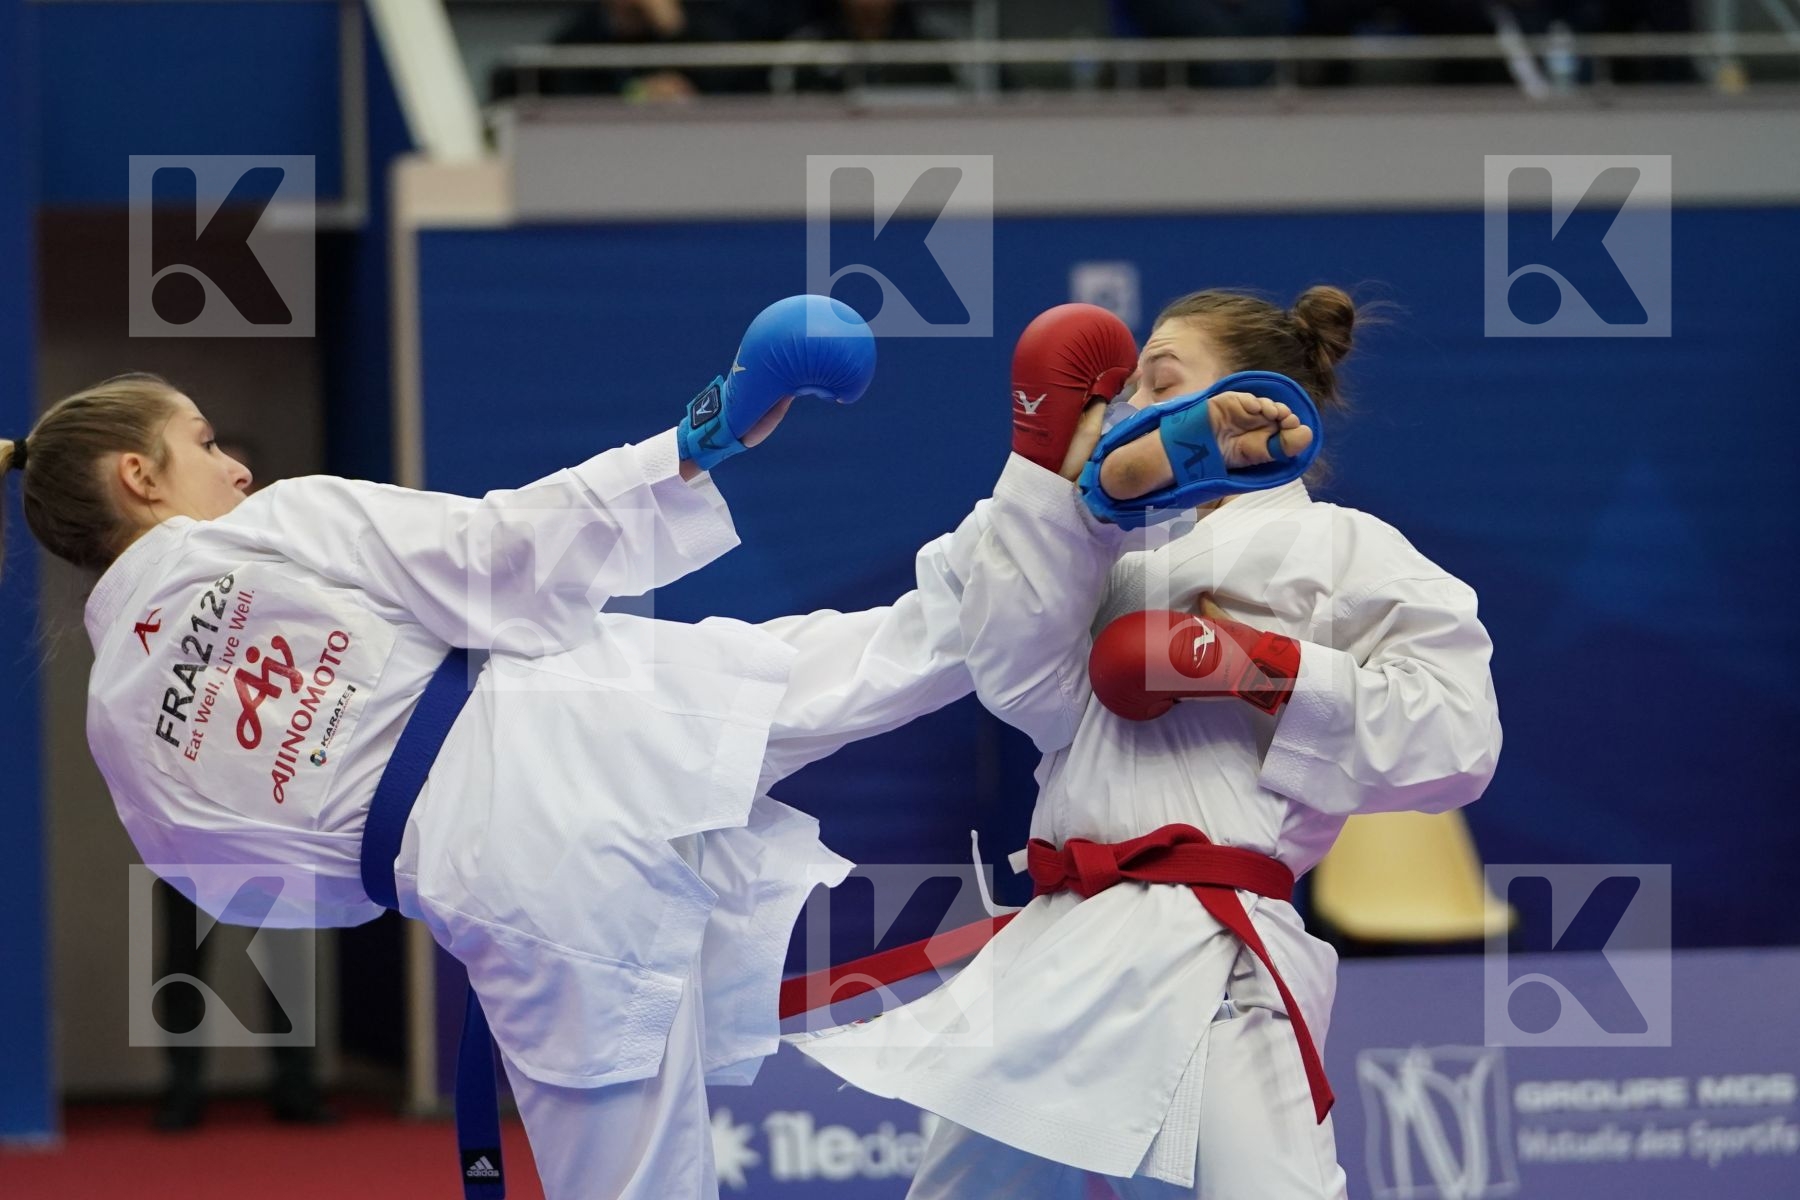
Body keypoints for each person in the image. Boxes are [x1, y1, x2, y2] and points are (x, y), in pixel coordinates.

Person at [0, 295, 993, 1200]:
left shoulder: (118, 726)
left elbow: (252, 893)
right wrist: (698, 440)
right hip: (569, 723)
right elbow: (494, 553)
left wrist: (414, 852)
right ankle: (1042, 506)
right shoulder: (267, 524)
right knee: (866, 657)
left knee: (631, 1183)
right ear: (138, 475)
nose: (236, 467)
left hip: (498, 892)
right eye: (204, 443)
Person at [796, 292, 1503, 1199]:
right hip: (1063, 946)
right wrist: (1050, 480)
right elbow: (1020, 683)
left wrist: (1256, 665)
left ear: (1259, 397)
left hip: (1213, 951)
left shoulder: (1342, 546)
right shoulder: (1102, 550)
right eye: (1125, 391)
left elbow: (1460, 738)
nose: (1130, 406)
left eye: (1160, 383)